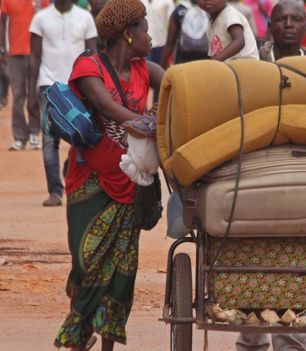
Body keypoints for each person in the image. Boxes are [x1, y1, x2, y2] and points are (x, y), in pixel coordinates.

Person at [53, 0, 165, 349]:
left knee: (121, 271)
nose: (150, 36)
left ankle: (106, 344)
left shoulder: (146, 69)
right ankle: (80, 335)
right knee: (87, 264)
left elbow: (178, 83)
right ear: (129, 35)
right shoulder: (88, 66)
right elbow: (105, 106)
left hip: (130, 183)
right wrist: (145, 122)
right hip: (90, 182)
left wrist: (162, 108)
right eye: (145, 29)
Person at [237, 5, 306, 351]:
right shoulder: (254, 65)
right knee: (251, 250)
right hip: (257, 165)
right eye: (282, 18)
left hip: (300, 169)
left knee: (302, 254)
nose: (288, 25)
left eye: (296, 19)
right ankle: (251, 337)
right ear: (269, 24)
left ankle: (292, 342)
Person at [28, 0, 98, 207]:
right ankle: (55, 191)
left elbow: (93, 55)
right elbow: (34, 57)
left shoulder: (85, 17)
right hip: (48, 86)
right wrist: (30, 94)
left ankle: (76, 179)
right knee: (49, 139)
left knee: (82, 134)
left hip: (78, 85)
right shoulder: (40, 18)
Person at [0, 0, 50, 151]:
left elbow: (47, 23)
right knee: (18, 95)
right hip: (14, 54)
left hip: (36, 53)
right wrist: (2, 48)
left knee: (34, 94)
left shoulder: (43, 1)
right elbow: (2, 22)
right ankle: (19, 137)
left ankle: (35, 133)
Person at [160, 0, 208, 69]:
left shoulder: (179, 11)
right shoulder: (211, 8)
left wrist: (162, 66)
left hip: (183, 63)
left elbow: (170, 43)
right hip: (207, 62)